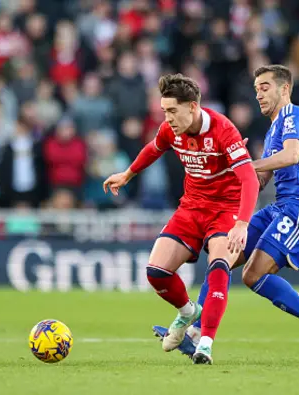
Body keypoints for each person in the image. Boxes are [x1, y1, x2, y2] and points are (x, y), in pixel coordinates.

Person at [153, 65, 299, 363]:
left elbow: (293, 155)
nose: (259, 94)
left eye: (265, 87)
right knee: (222, 257)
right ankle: (195, 332)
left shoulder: (295, 115)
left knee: (254, 274)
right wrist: (229, 176)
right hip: (279, 207)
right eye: (256, 89)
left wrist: (245, 165)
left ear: (285, 89)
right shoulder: (271, 132)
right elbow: (259, 179)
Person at [103, 73, 259, 364]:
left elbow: (249, 179)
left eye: (173, 111)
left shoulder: (224, 130)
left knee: (218, 268)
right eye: (164, 111)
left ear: (192, 107)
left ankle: (206, 343)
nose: (168, 118)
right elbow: (153, 149)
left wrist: (242, 223)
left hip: (225, 209)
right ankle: (189, 312)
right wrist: (128, 174)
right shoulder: (169, 130)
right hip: (191, 208)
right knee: (156, 272)